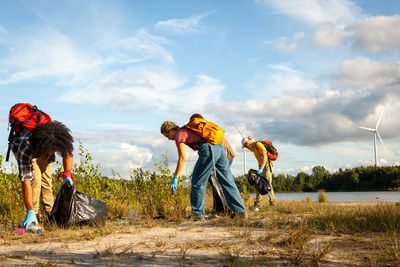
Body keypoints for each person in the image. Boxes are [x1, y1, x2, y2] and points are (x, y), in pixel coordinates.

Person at [160, 120, 246, 221]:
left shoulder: (179, 134)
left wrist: (175, 177)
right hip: (219, 147)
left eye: (167, 136)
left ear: (170, 130)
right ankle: (240, 212)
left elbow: (182, 158)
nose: (169, 139)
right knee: (227, 181)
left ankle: (197, 214)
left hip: (208, 149)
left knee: (197, 182)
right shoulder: (188, 129)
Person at [10, 120, 74, 230]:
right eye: (52, 150)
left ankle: (50, 215)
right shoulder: (26, 146)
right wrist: (30, 210)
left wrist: (67, 173)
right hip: (26, 149)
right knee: (36, 180)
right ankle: (34, 217)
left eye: (55, 150)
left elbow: (68, 152)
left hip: (42, 148)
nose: (52, 153)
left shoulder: (62, 137)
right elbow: (26, 181)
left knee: (47, 182)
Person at [189, 113, 235, 216]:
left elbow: (212, 151)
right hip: (224, 156)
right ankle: (220, 208)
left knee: (218, 181)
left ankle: (223, 209)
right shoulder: (209, 129)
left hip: (225, 157)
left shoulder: (207, 131)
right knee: (217, 181)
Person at [242, 136, 276, 206]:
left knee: (267, 184)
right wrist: (260, 168)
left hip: (266, 166)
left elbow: (265, 156)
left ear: (247, 143)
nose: (246, 148)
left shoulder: (258, 145)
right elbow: (251, 141)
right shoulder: (254, 147)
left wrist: (261, 168)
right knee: (258, 183)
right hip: (261, 167)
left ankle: (272, 202)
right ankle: (257, 202)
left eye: (245, 146)